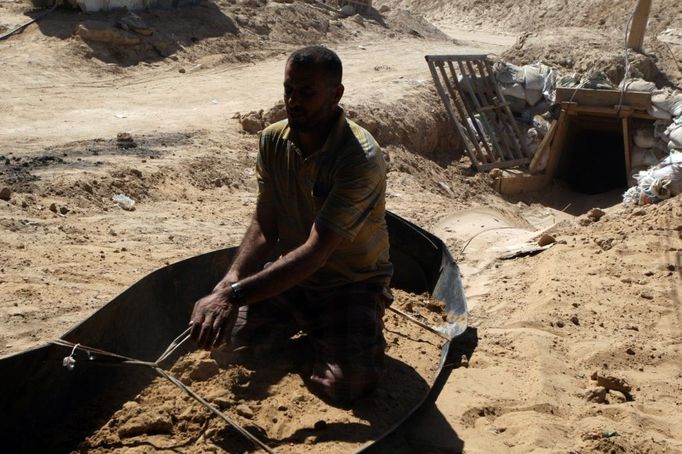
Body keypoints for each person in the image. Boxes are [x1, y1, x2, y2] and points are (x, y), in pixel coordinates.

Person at [189, 45, 393, 403]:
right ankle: (316, 340)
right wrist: (228, 282)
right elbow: (265, 226)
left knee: (346, 386)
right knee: (231, 346)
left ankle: (330, 341)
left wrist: (233, 297)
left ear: (336, 94)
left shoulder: (359, 158)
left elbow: (316, 252)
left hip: (350, 283)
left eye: (306, 93)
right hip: (292, 277)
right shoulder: (272, 140)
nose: (294, 101)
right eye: (289, 90)